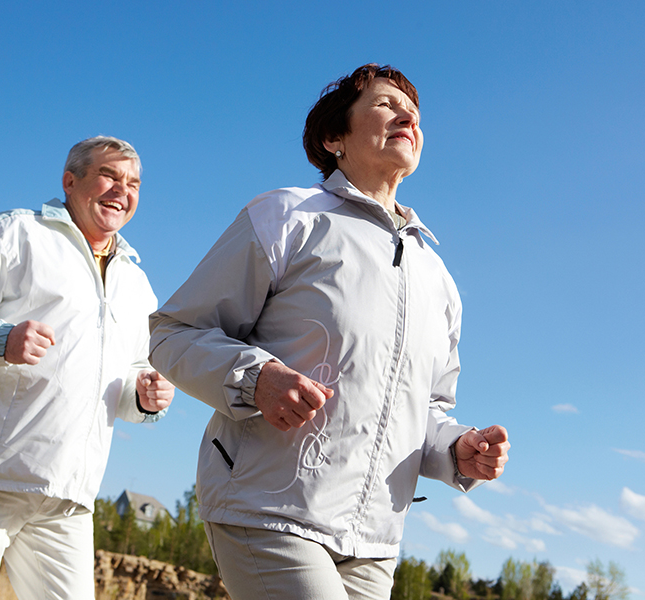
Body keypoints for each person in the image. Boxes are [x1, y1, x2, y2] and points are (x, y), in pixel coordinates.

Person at [149, 64, 511, 600]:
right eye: (385, 104)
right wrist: (257, 379)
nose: (407, 114)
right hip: (269, 507)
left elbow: (427, 409)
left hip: (374, 542)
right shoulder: (286, 216)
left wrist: (458, 449)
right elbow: (174, 333)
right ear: (333, 138)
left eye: (413, 111)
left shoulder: (439, 280)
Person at [0, 136, 175, 600]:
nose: (121, 191)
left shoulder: (137, 282)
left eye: (133, 183)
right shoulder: (18, 232)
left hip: (68, 497)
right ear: (71, 181)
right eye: (109, 175)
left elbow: (128, 380)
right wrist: (1, 339)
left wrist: (146, 397)